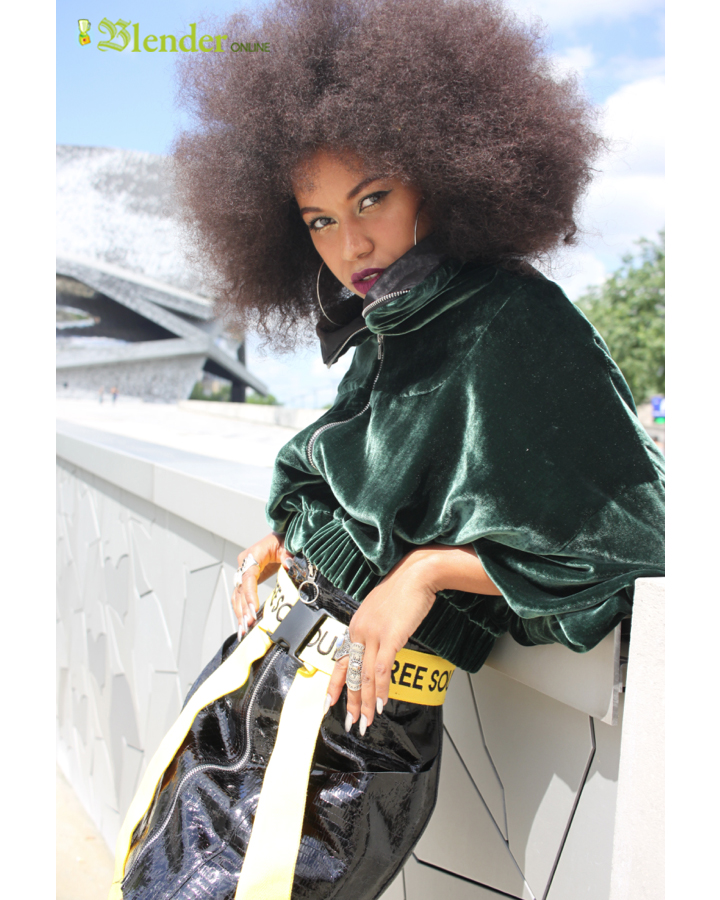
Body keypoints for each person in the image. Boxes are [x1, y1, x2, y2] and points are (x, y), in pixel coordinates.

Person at [112, 1, 664, 898]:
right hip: (259, 670)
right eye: (319, 220)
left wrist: (427, 574)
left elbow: (634, 537)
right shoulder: (393, 320)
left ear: (436, 182)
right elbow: (366, 479)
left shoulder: (513, 318)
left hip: (347, 732)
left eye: (371, 199)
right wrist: (296, 538)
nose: (351, 243)